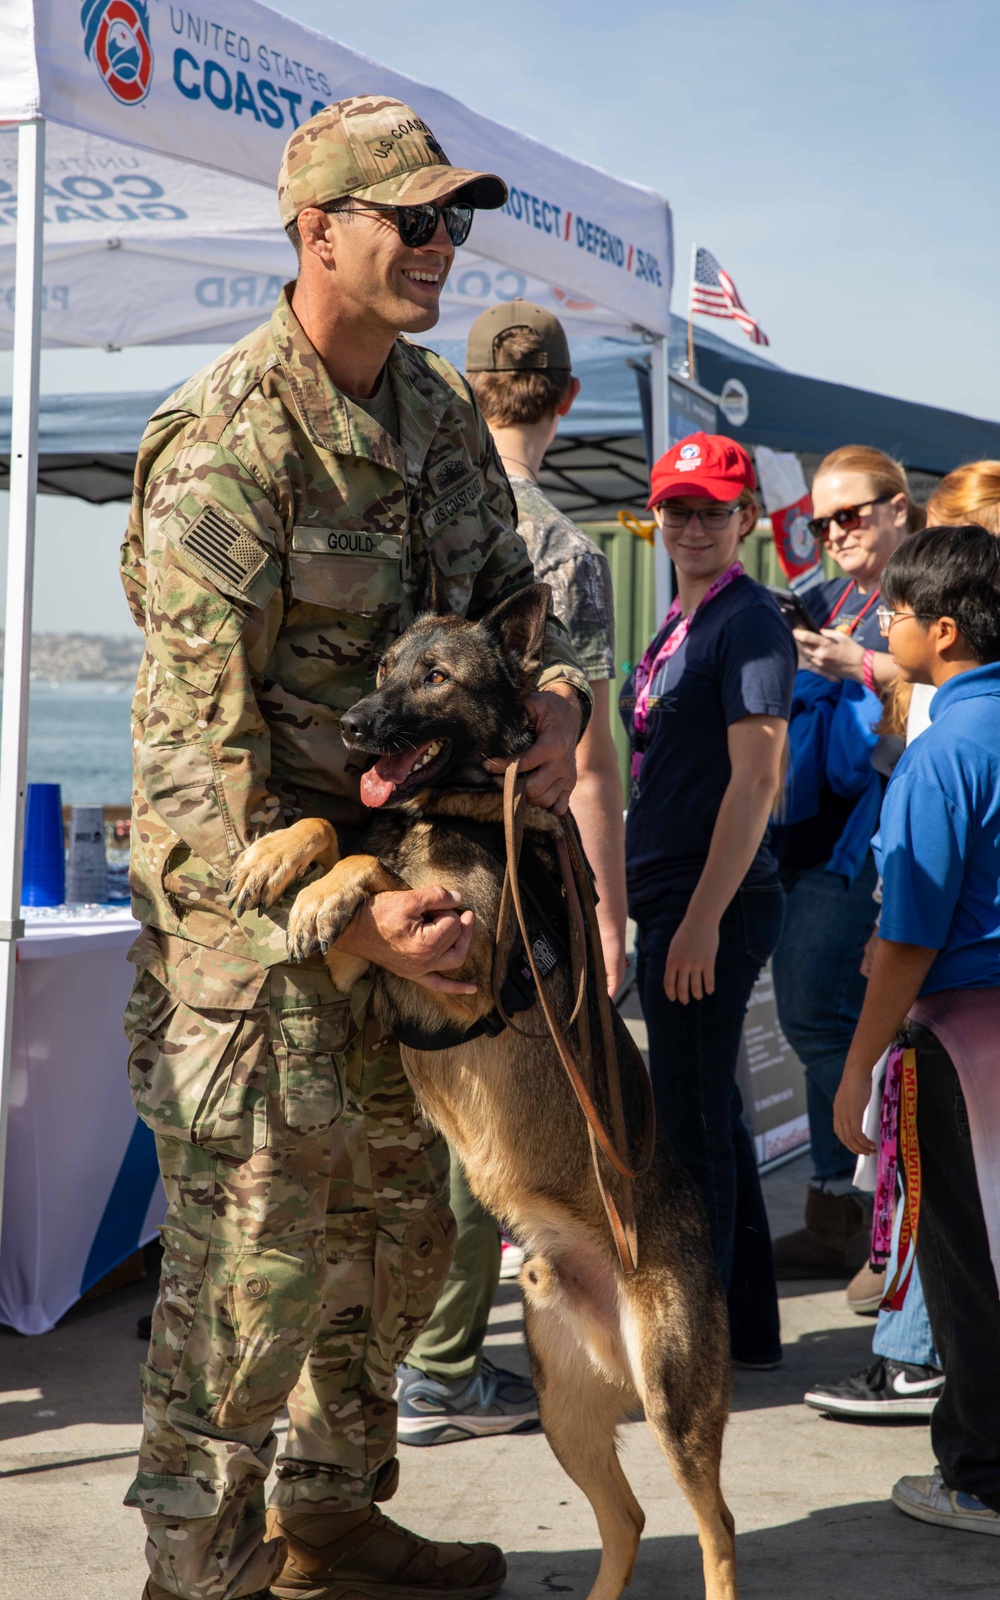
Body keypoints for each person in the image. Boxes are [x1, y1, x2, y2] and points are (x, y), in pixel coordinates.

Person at [120, 97, 592, 1600]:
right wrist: (352, 920)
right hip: (261, 954)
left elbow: (516, 612)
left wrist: (563, 706)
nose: (444, 248)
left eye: (455, 222)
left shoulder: (439, 418)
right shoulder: (228, 447)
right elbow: (199, 767)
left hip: (407, 931)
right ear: (319, 230)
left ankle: (329, 1523)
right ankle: (197, 1573)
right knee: (246, 1295)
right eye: (415, 219)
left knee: (386, 1254)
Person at [394, 301, 625, 1446]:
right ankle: (441, 1363)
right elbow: (571, 764)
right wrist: (605, 915)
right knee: (497, 1115)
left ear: (465, 387)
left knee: (430, 1109)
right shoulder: (568, 554)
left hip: (399, 864)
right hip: (509, 879)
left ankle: (416, 1358)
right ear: (567, 400)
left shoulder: (421, 522)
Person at [803, 459, 1000, 1419]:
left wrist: (859, 1065)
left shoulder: (942, 755)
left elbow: (909, 936)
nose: (885, 625)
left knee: (965, 1266)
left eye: (900, 612)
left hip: (960, 1046)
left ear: (947, 631)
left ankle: (976, 1475)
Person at [622, 432, 795, 1369]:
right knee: (711, 1114)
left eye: (711, 510)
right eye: (677, 508)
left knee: (689, 1133)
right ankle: (747, 1329)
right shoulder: (685, 620)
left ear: (745, 520)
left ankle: (696, 1348)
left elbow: (756, 780)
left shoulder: (749, 621)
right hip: (680, 898)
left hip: (708, 903)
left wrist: (699, 922)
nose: (692, 524)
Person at [770, 445, 923, 1285]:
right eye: (820, 520)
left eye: (851, 514)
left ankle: (877, 1208)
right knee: (830, 1020)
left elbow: (951, 680)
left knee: (823, 1017)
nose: (833, 532)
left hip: (865, 846)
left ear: (900, 508)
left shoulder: (926, 594)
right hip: (808, 841)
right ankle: (840, 1206)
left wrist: (855, 663)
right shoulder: (834, 595)